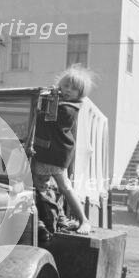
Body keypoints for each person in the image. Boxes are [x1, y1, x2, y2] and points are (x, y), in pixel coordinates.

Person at [33, 65, 94, 236]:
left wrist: (48, 99)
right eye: (66, 85)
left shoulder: (68, 108)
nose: (68, 90)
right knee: (44, 187)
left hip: (53, 154)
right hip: (49, 152)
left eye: (74, 88)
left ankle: (84, 220)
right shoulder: (61, 103)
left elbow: (45, 118)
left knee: (64, 187)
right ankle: (58, 218)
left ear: (80, 93)